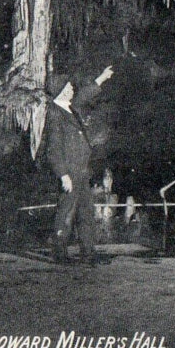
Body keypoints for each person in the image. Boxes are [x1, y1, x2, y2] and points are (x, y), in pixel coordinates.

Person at [45, 65, 114, 265]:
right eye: (67, 89)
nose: (71, 90)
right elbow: (54, 148)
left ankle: (88, 252)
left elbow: (83, 96)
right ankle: (59, 252)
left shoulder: (69, 108)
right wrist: (63, 174)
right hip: (70, 171)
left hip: (82, 170)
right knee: (66, 212)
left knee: (86, 212)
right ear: (59, 93)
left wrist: (101, 78)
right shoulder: (55, 114)